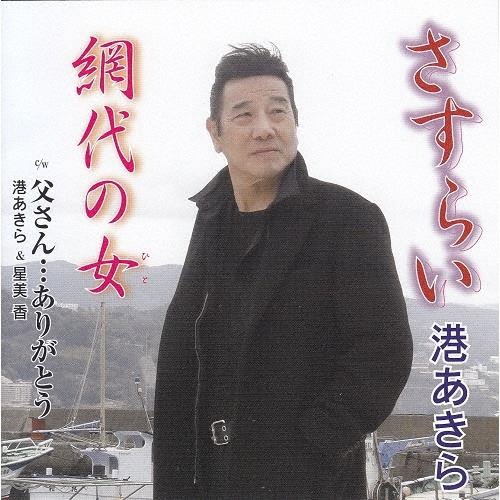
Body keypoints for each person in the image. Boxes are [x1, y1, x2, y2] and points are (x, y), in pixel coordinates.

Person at [154, 44, 413, 500]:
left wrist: (309, 447)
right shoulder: (211, 220)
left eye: (278, 112)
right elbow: (185, 357)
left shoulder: (347, 217)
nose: (265, 128)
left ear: (295, 120)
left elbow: (383, 353)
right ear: (215, 133)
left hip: (305, 482)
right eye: (244, 115)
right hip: (203, 481)